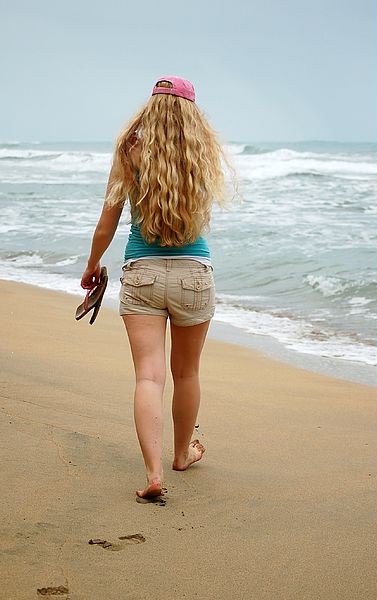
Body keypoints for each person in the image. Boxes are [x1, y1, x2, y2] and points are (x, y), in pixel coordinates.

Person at [80, 75, 237, 500]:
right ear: (192, 112)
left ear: (149, 107)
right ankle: (182, 454)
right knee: (186, 373)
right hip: (192, 273)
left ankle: (153, 474)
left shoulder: (129, 152)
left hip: (142, 273)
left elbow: (106, 223)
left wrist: (93, 266)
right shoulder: (202, 153)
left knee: (148, 377)